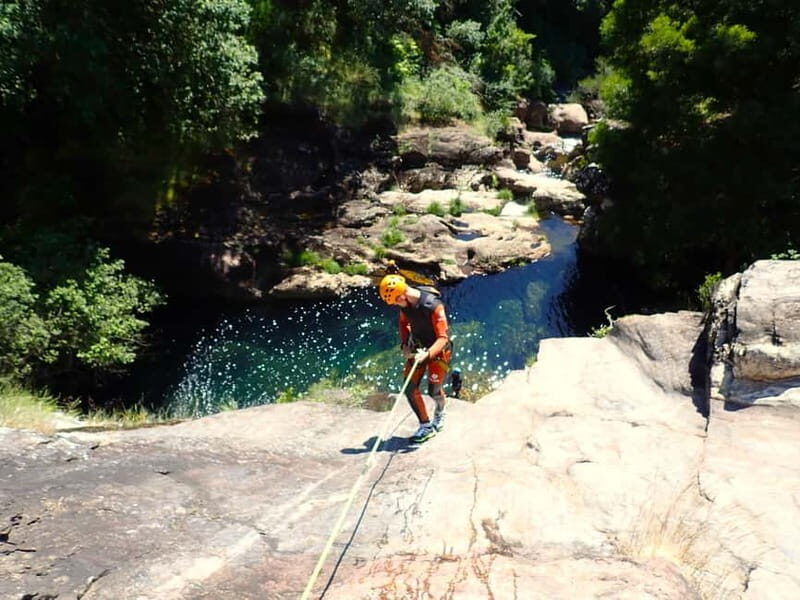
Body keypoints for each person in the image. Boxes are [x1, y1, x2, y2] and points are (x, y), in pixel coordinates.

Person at [379, 273, 452, 444]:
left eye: (397, 301)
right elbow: (404, 323)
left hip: (437, 353)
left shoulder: (433, 306)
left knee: (433, 391)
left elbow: (443, 338)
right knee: (409, 387)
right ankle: (426, 426)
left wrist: (426, 355)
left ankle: (440, 412)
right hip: (417, 348)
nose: (397, 305)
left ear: (402, 295)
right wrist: (405, 345)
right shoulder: (405, 304)